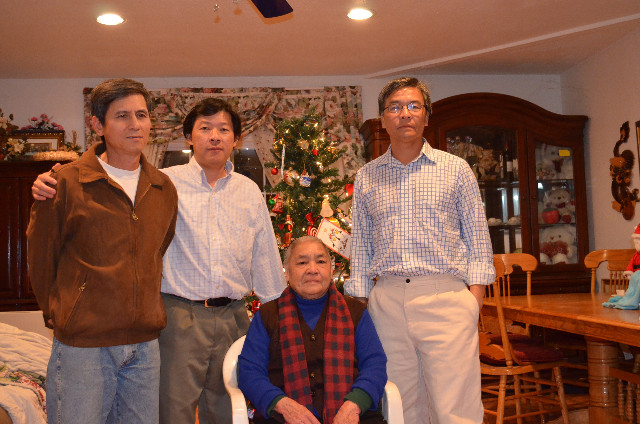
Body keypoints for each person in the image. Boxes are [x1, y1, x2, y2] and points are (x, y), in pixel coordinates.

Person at [32, 97, 286, 424]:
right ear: (189, 137)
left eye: (224, 130)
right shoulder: (163, 184)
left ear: (236, 139)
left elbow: (265, 254)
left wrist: (276, 313)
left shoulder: (248, 191)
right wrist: (52, 180)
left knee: (228, 410)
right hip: (179, 317)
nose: (215, 137)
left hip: (235, 317)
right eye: (205, 128)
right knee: (172, 412)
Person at [26, 78, 178, 424]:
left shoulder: (162, 187)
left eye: (141, 115)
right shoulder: (64, 183)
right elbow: (41, 258)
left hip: (145, 345)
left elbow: (158, 250)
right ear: (98, 124)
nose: (135, 124)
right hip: (83, 344)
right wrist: (63, 314)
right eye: (122, 116)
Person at [344, 77, 495, 424]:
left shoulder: (456, 170)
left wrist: (472, 303)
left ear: (427, 116)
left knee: (454, 409)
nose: (405, 114)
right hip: (388, 301)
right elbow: (362, 247)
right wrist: (363, 305)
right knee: (399, 405)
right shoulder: (367, 177)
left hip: (446, 296)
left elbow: (478, 240)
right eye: (395, 107)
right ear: (383, 119)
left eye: (414, 106)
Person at [238, 236, 387, 424]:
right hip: (283, 418)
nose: (312, 269)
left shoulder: (355, 312)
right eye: (302, 262)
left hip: (352, 416)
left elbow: (375, 364)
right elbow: (249, 371)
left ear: (330, 269)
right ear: (287, 272)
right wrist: (283, 405)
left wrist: (354, 405)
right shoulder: (267, 315)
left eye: (321, 261)